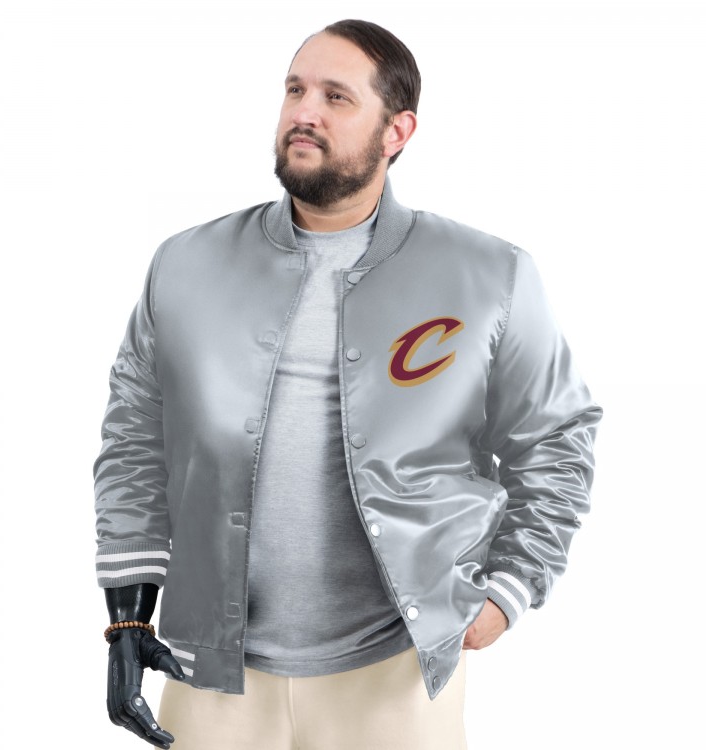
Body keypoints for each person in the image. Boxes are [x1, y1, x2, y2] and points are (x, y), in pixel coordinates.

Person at [94, 18, 602, 750]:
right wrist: (127, 619)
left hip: (396, 675)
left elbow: (555, 438)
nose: (304, 112)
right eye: (295, 90)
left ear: (397, 131)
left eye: (336, 97)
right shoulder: (185, 265)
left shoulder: (489, 275)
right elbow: (135, 442)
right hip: (212, 673)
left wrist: (509, 589)